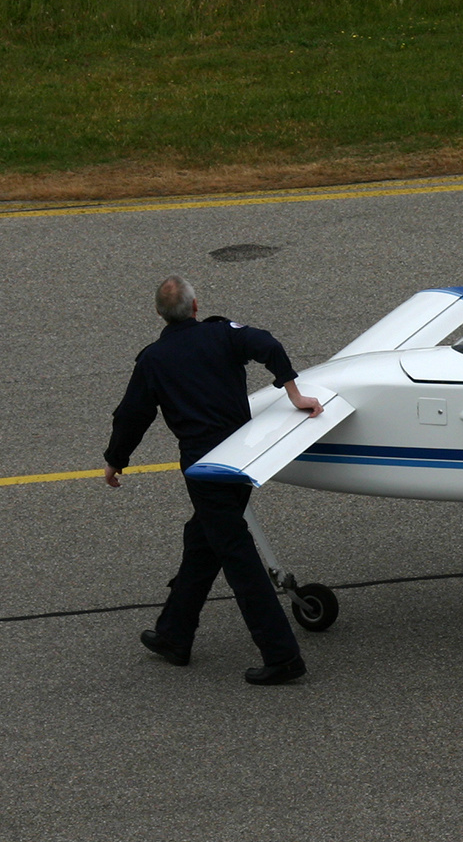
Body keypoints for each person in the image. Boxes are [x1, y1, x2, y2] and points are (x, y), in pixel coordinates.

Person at [104, 276, 323, 685]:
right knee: (203, 541)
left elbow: (132, 415)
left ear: (158, 314)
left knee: (238, 558)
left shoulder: (153, 359)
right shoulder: (222, 334)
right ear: (195, 305)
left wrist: (116, 460)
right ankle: (174, 634)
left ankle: (282, 655)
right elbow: (269, 345)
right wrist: (294, 394)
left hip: (205, 468)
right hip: (243, 455)